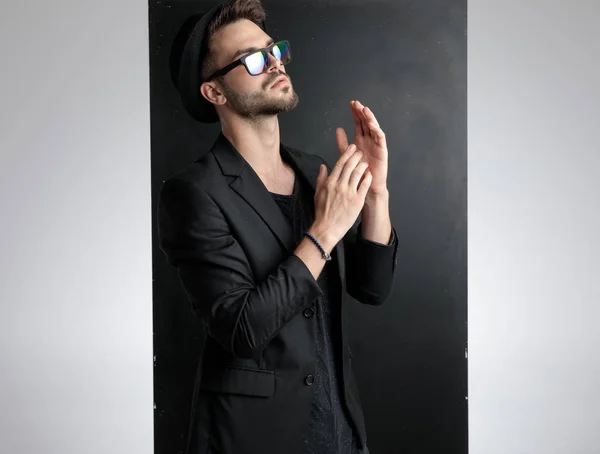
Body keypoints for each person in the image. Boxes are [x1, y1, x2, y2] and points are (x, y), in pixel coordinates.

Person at [158, 0, 399, 453]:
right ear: (215, 93)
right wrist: (324, 232)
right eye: (252, 58)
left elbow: (373, 288)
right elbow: (242, 329)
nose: (274, 63)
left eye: (274, 50)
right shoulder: (193, 192)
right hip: (255, 437)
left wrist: (375, 196)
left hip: (342, 431)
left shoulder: (313, 172)